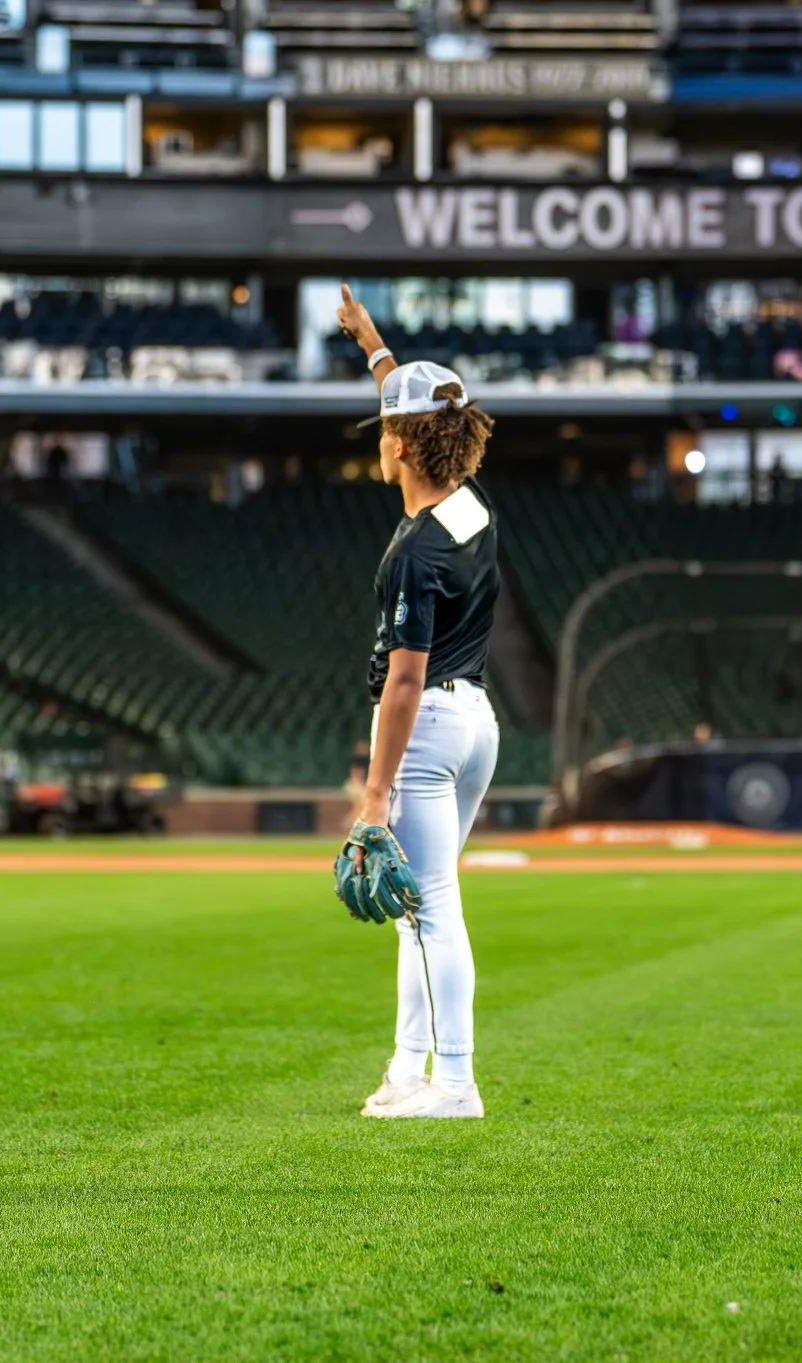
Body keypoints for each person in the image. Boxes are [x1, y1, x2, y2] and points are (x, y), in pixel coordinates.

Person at [336, 283, 502, 1122]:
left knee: (431, 908)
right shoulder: (471, 508)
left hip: (428, 722)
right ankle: (409, 1067)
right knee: (415, 908)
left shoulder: (414, 554)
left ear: (403, 446)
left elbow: (402, 681)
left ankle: (457, 1082)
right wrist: (372, 345)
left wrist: (374, 795)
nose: (381, 441)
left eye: (387, 431)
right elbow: (423, 404)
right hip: (477, 722)